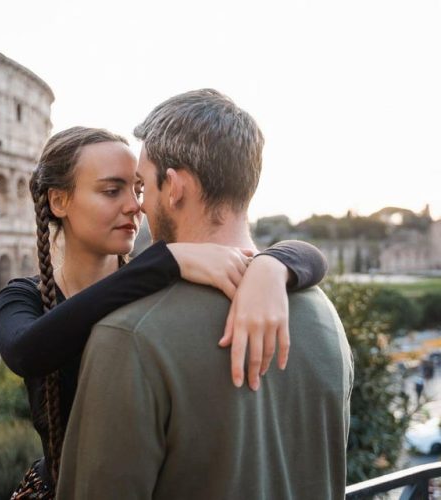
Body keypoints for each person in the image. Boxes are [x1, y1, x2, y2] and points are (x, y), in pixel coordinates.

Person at [0, 127, 327, 496]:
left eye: (137, 189)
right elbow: (26, 351)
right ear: (59, 201)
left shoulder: (157, 280)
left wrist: (272, 265)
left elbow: (311, 256)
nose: (135, 205)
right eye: (111, 190)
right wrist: (164, 260)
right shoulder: (25, 295)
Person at [56, 90, 353, 500]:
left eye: (143, 186)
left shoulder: (129, 336)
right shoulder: (323, 315)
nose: (139, 207)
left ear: (175, 187)